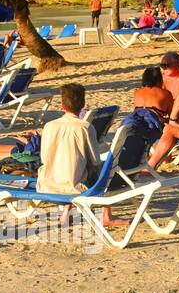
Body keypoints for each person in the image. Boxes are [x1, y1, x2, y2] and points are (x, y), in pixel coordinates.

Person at [36, 83, 126, 229]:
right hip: (75, 188)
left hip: (47, 184)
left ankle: (66, 212)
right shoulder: (85, 128)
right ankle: (106, 216)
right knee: (103, 169)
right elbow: (95, 161)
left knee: (72, 169)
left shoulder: (49, 126)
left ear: (62, 105)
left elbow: (44, 158)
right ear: (82, 105)